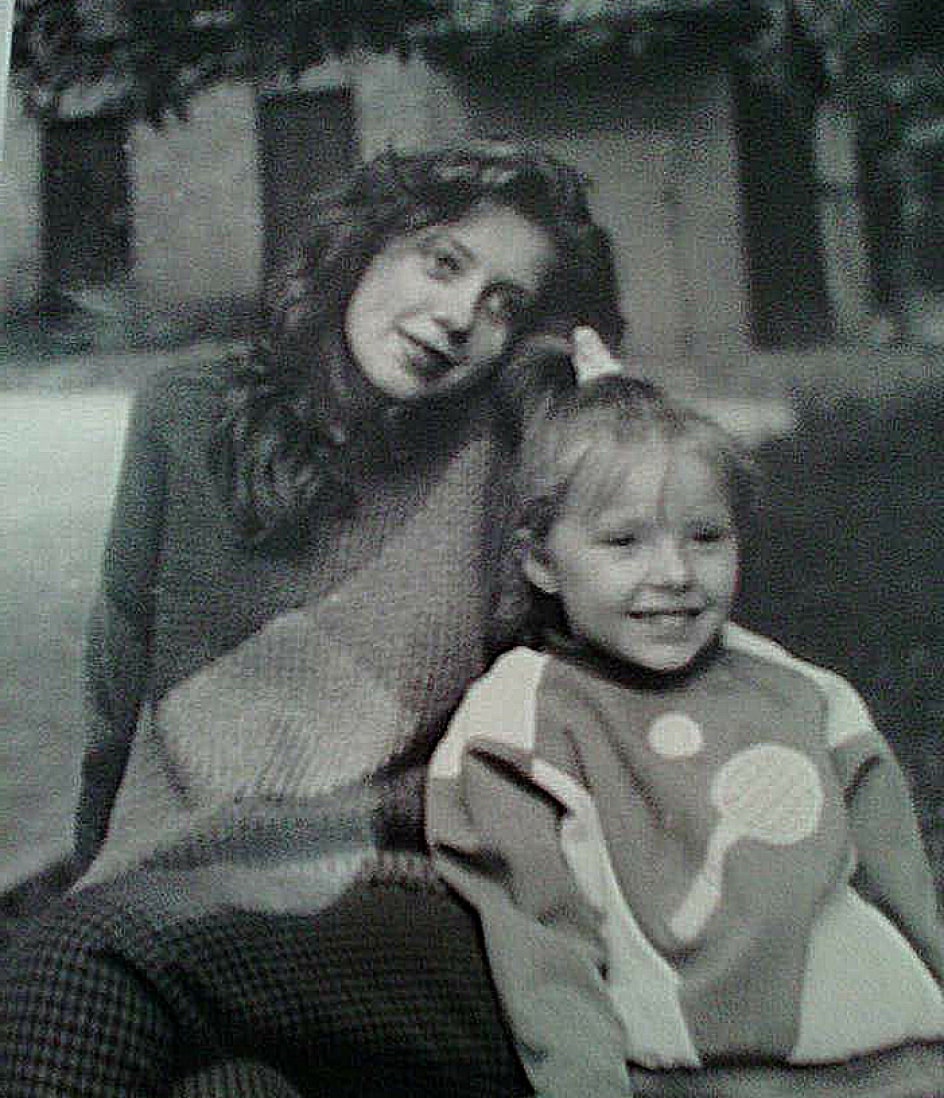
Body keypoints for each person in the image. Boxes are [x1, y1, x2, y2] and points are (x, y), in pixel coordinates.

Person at [0, 143, 625, 1098]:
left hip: (410, 897)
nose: (460, 318)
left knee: (77, 959)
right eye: (443, 261)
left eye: (504, 304)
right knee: (228, 1090)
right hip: (199, 902)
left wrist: (605, 433)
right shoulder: (183, 414)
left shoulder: (505, 455)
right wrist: (104, 873)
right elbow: (117, 695)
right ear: (363, 244)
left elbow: (626, 665)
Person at [427, 375, 944, 1098]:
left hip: (902, 1061)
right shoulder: (518, 725)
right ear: (542, 559)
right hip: (694, 1078)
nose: (673, 575)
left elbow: (905, 890)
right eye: (624, 542)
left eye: (705, 538)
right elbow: (544, 954)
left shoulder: (803, 694)